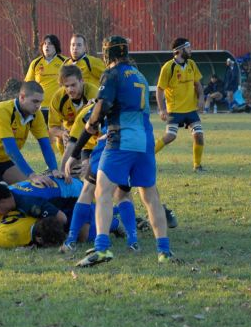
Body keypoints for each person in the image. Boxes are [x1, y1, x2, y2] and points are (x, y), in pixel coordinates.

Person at [68, 35, 175, 267]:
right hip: (145, 142)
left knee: (103, 192)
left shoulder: (112, 74)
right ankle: (164, 251)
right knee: (150, 197)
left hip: (121, 140)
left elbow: (103, 105)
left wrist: (91, 125)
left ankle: (102, 248)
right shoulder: (139, 75)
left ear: (108, 54)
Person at [0, 81, 63, 189]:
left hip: (2, 159)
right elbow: (10, 149)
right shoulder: (2, 111)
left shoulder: (36, 115)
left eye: (40, 102)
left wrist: (54, 169)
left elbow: (45, 145)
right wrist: (32, 175)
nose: (38, 106)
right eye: (35, 101)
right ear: (22, 97)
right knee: (2, 195)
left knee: (30, 188)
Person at [155, 38, 206, 172]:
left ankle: (197, 166)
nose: (191, 50)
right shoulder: (168, 67)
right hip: (175, 110)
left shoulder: (192, 64)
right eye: (188, 48)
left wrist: (201, 97)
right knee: (170, 136)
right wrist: (162, 109)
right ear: (178, 51)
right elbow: (159, 89)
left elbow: (198, 84)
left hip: (190, 110)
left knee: (199, 135)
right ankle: (147, 156)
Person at [48, 65, 98, 153]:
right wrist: (62, 133)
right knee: (69, 165)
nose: (70, 89)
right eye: (66, 86)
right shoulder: (58, 98)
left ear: (82, 81)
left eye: (73, 85)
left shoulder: (93, 93)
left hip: (89, 136)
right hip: (68, 139)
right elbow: (52, 128)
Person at [25, 34, 66, 123]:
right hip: (40, 107)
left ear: (56, 46)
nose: (47, 46)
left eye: (50, 43)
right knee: (43, 135)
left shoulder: (65, 62)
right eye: (45, 44)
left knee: (58, 135)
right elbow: (28, 86)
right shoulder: (35, 63)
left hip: (59, 107)